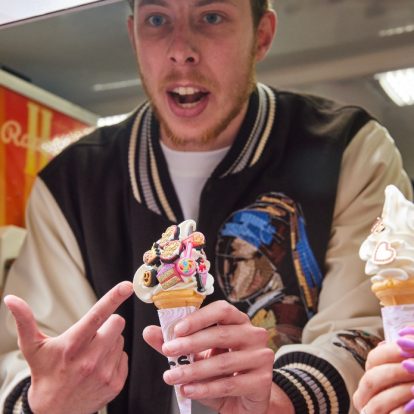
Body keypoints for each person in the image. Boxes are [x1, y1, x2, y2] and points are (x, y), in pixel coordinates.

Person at [0, 0, 412, 413]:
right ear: (134, 36)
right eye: (157, 19)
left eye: (211, 17)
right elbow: (28, 358)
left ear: (261, 35)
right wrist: (45, 401)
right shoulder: (70, 183)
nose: (181, 50)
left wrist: (274, 400)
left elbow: (365, 325)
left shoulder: (347, 149)